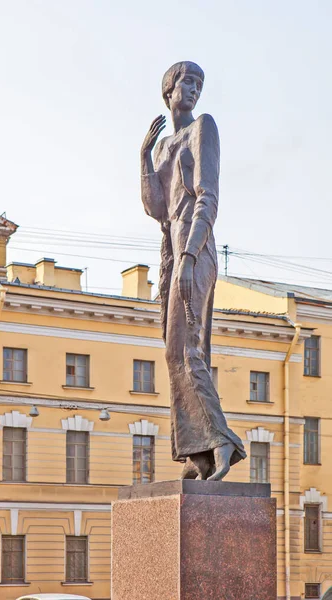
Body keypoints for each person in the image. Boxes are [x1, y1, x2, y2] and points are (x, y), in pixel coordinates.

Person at [140, 61, 246, 480]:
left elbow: (208, 197)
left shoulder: (204, 127)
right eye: (187, 81)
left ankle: (220, 441)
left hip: (194, 250)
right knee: (172, 352)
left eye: (199, 83)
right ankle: (196, 454)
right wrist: (144, 156)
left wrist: (189, 255)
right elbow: (155, 207)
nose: (194, 89)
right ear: (169, 89)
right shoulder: (166, 144)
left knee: (188, 349)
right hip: (171, 251)